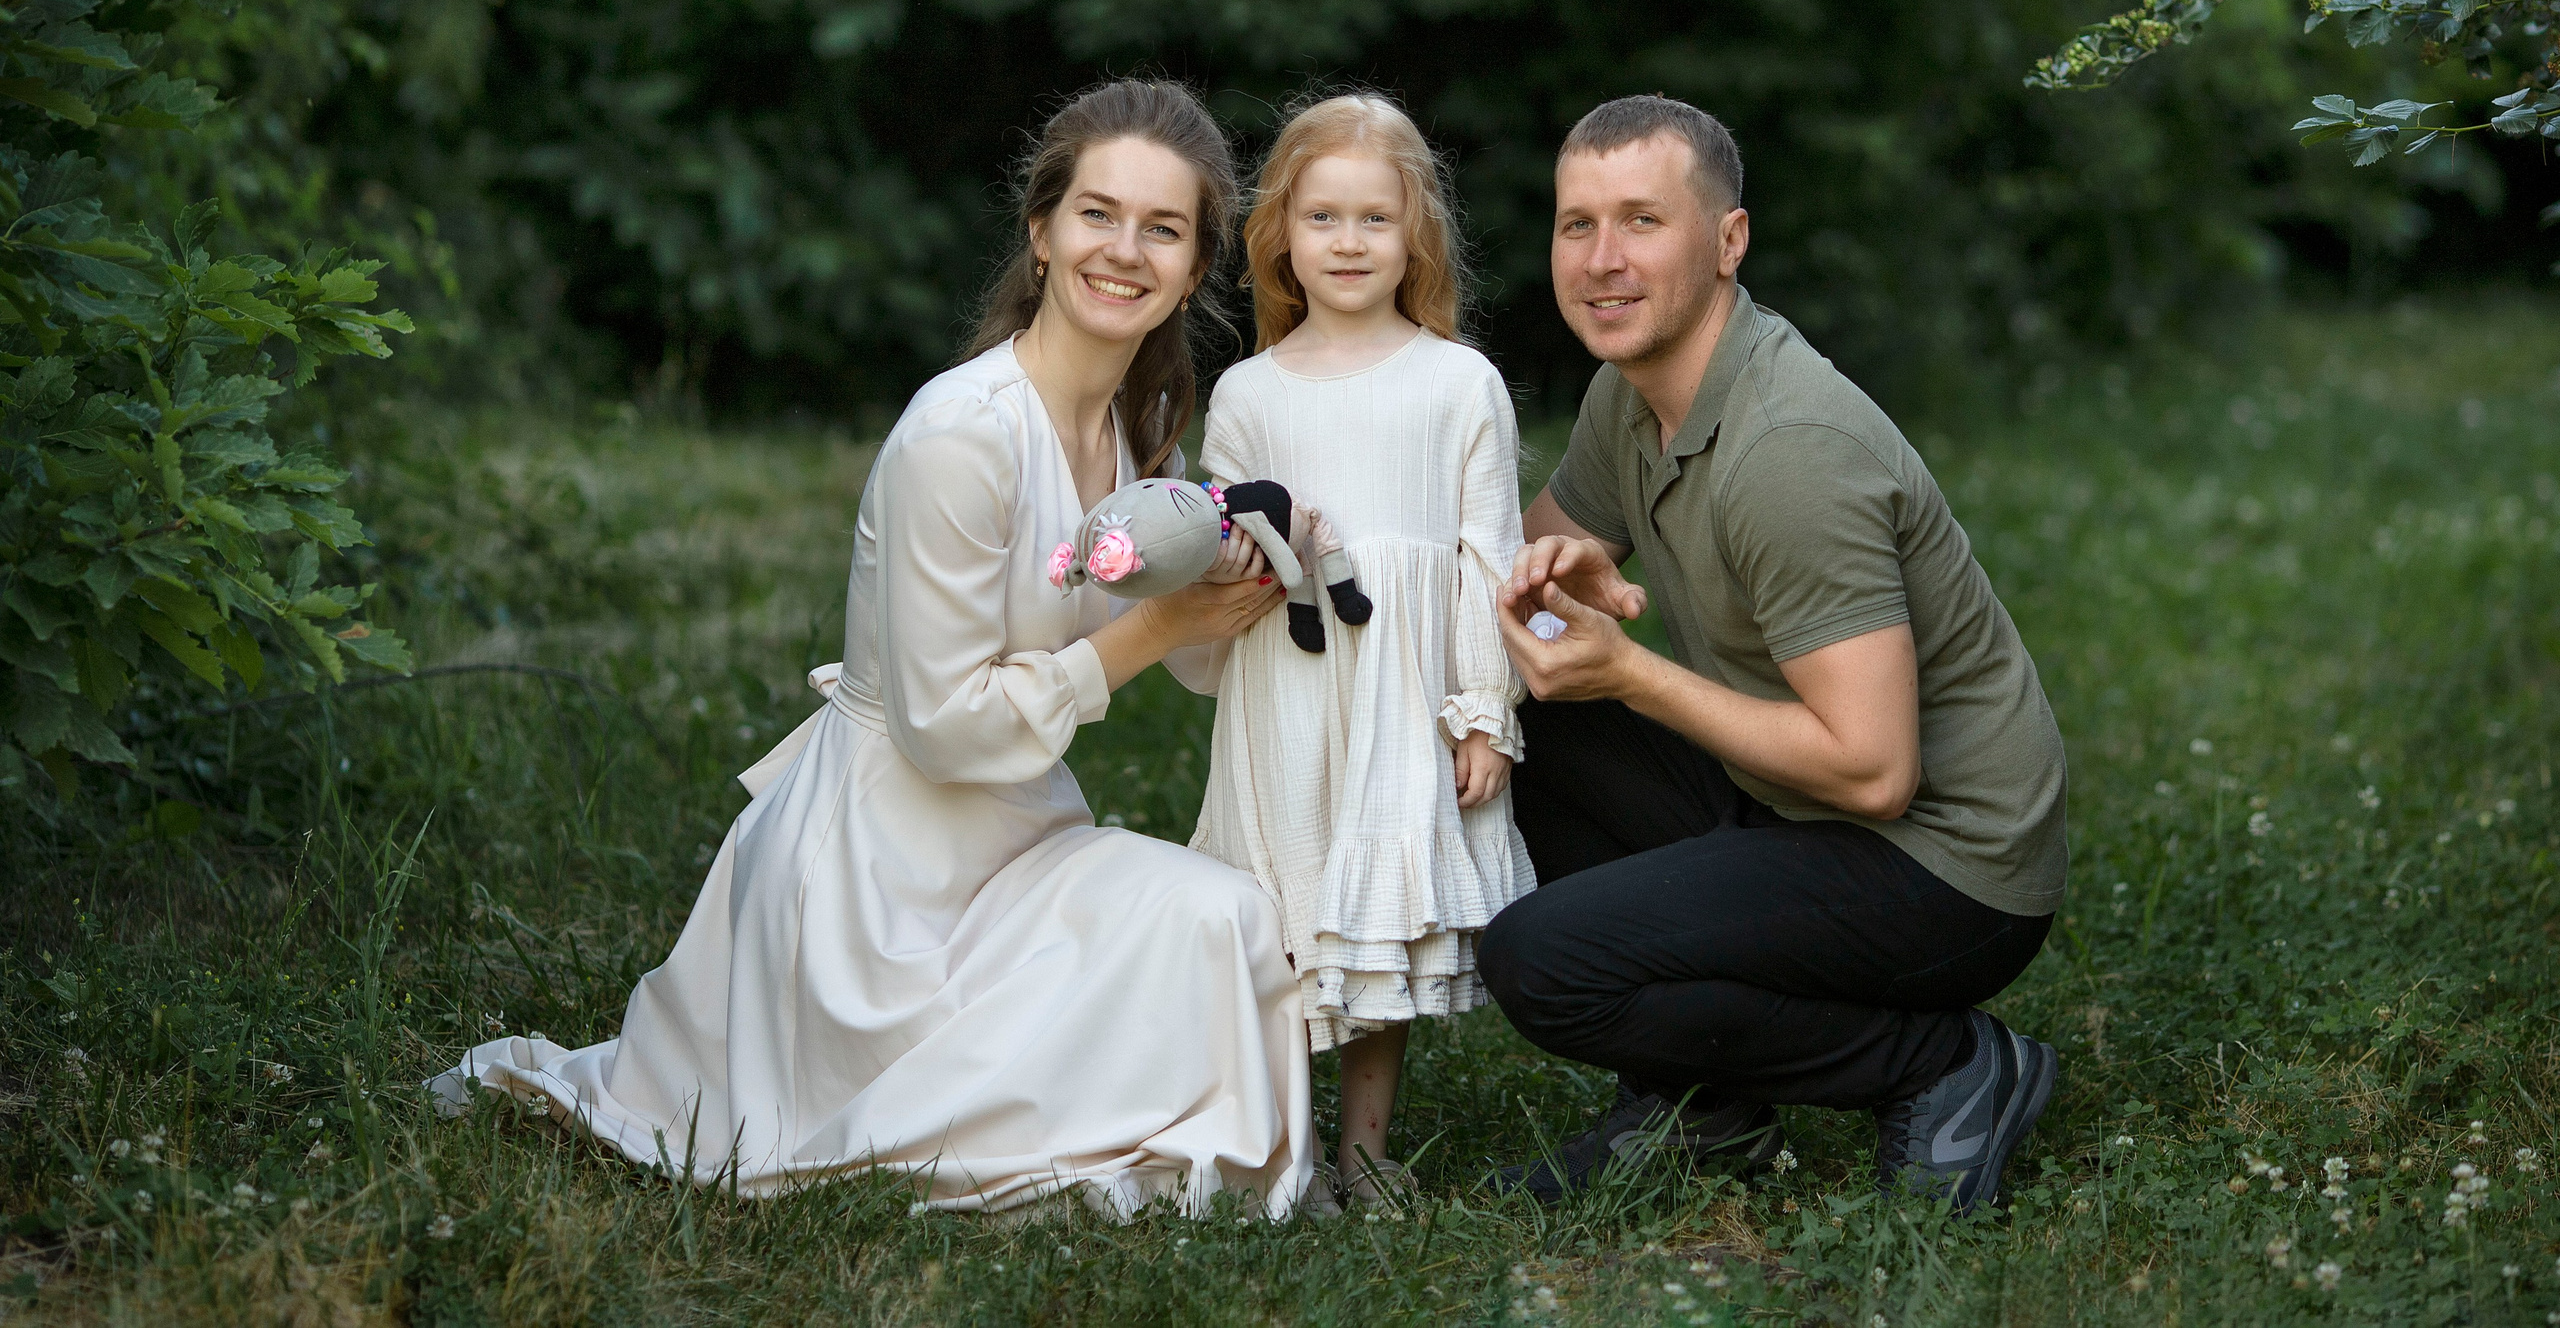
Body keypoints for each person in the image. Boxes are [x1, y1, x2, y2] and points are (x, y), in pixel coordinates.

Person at [430, 80, 1319, 1219]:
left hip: (1014, 840)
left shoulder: (1138, 432)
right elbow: (944, 729)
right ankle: (923, 1089)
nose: (1124, 250)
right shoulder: (960, 436)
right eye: (1097, 214)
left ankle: (1078, 1085)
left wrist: (1236, 578)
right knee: (1154, 981)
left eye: (1162, 228)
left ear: (1196, 267)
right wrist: (1154, 627)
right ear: (1040, 232)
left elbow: (1183, 651)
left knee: (1227, 916)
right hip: (876, 886)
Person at [1481, 95, 2066, 1212]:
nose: (1602, 260)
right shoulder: (1630, 393)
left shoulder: (1790, 452)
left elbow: (1871, 769)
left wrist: (1632, 672)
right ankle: (1701, 1108)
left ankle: (1943, 1066)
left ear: (1728, 240)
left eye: (1642, 221)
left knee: (1542, 961)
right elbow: (1526, 562)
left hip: (1945, 865)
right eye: (1576, 225)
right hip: (1795, 802)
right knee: (1532, 713)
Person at [1182, 94, 1536, 1201]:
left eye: (1373, 219)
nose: (1346, 242)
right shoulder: (1246, 391)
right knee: (1286, 908)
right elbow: (1222, 550)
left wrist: (1483, 708)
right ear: (1280, 231)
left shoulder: (1458, 382)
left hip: (1399, 701)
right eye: (1322, 216)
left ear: (1415, 233)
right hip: (1285, 697)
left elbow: (1490, 555)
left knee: (1372, 922)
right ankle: (1283, 1146)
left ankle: (1367, 1151)